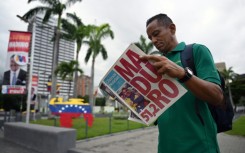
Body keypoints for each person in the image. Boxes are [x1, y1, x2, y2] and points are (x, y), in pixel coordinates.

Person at [140, 13, 224, 153]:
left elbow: (217, 96)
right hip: (165, 148)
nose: (153, 40)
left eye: (156, 34)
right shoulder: (155, 64)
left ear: (172, 29)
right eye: (150, 38)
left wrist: (182, 74)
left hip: (199, 147)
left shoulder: (196, 51)